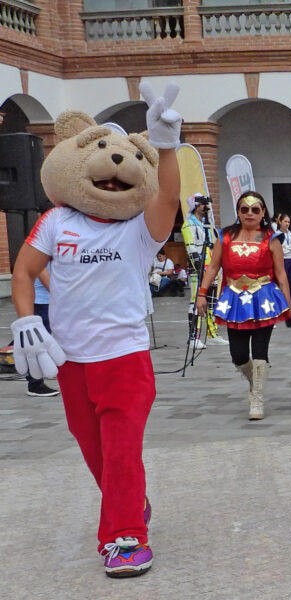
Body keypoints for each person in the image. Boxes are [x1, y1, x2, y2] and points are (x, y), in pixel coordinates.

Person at [10, 81, 183, 578]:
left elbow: (169, 197)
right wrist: (26, 318)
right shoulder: (56, 221)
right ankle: (131, 503)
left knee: (121, 452)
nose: (112, 175)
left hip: (125, 358)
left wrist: (165, 145)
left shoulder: (139, 229)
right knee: (96, 453)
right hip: (71, 360)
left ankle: (125, 537)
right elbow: (23, 270)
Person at [196, 191, 291, 420]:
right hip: (234, 299)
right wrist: (202, 293)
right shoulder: (225, 236)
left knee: (260, 350)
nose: (249, 213)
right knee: (238, 354)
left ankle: (257, 397)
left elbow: (281, 274)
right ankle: (256, 381)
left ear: (263, 213)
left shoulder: (271, 238)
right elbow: (213, 267)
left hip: (264, 298)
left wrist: (289, 305)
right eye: (244, 209)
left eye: (255, 209)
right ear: (238, 212)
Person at [182, 194, 226, 347]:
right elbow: (191, 249)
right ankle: (193, 337)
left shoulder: (207, 224)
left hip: (210, 267)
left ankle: (212, 334)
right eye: (202, 204)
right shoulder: (188, 224)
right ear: (195, 206)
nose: (206, 207)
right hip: (198, 269)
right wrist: (200, 268)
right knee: (196, 301)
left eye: (206, 204)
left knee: (212, 301)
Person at [24, 272, 59, 396]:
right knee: (37, 344)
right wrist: (59, 295)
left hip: (51, 301)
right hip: (43, 302)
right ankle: (35, 384)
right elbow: (40, 271)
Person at [274, 212, 291, 309]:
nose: (287, 224)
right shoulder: (276, 235)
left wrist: (287, 247)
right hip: (283, 261)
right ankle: (283, 308)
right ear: (280, 222)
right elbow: (279, 250)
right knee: (283, 285)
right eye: (285, 221)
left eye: (288, 222)